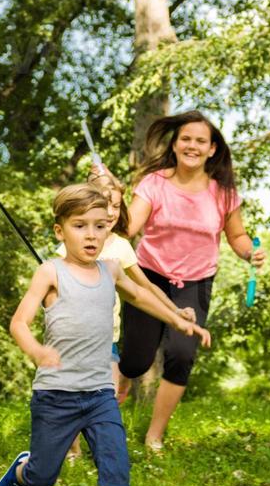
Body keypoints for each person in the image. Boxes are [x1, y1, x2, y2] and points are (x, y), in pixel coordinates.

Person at [0, 183, 210, 486]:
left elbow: (143, 298)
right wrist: (38, 351)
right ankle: (23, 472)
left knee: (116, 469)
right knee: (44, 479)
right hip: (55, 396)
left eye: (100, 227)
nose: (92, 235)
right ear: (60, 231)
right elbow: (18, 323)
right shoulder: (50, 272)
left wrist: (178, 320)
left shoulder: (110, 270)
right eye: (80, 226)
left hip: (99, 396)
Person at [118, 111, 265, 451]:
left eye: (201, 141)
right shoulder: (154, 183)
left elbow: (237, 235)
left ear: (212, 149)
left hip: (196, 283)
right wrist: (110, 201)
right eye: (186, 138)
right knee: (137, 360)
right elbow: (128, 229)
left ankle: (154, 435)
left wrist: (249, 254)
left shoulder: (223, 193)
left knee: (182, 356)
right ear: (175, 143)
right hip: (150, 277)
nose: (192, 146)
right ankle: (123, 377)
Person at [59, 167, 193, 460]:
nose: (110, 212)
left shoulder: (120, 247)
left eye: (117, 206)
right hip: (71, 339)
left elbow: (145, 288)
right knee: (71, 396)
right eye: (104, 204)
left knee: (105, 398)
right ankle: (71, 451)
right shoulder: (70, 244)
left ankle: (104, 451)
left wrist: (175, 311)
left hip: (106, 340)